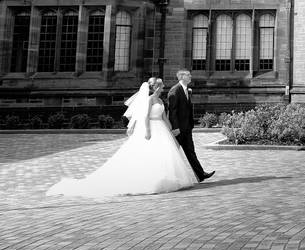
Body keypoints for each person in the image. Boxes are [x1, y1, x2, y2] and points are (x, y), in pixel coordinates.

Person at [46, 77, 198, 197]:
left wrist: (171, 128)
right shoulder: (150, 99)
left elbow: (164, 115)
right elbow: (145, 116)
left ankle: (167, 178)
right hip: (151, 127)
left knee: (165, 154)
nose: (164, 87)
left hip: (161, 128)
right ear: (156, 87)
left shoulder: (159, 100)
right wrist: (147, 130)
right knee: (151, 154)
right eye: (162, 85)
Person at [167, 69, 214, 182]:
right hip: (178, 129)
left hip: (187, 127)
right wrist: (175, 127)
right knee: (172, 153)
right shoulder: (174, 91)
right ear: (182, 77)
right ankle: (166, 175)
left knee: (190, 151)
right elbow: (172, 111)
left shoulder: (187, 90)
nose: (190, 76)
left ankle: (200, 174)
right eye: (188, 75)